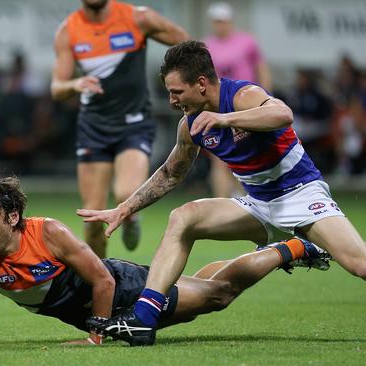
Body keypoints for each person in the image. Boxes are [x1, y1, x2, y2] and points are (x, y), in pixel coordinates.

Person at [78, 40, 366, 345]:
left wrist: (224, 118)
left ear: (201, 84)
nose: (173, 100)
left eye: (177, 92)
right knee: (184, 217)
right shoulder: (190, 126)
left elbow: (282, 114)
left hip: (302, 196)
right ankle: (144, 318)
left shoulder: (243, 95)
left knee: (359, 265)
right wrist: (125, 208)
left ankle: (301, 244)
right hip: (258, 204)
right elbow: (170, 174)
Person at [0, 176, 329, 346]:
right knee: (206, 287)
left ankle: (293, 246)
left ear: (14, 216)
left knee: (217, 296)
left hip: (126, 289)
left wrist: (98, 335)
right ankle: (285, 250)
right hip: (105, 304)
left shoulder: (49, 233)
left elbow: (99, 279)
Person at [51, 0, 189, 257]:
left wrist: (173, 82)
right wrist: (75, 83)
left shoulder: (138, 18)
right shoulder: (68, 31)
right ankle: (99, 280)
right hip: (93, 126)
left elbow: (187, 46)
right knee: (92, 218)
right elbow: (56, 88)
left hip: (133, 123)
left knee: (126, 193)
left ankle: (130, 217)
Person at [203, 2, 272, 198]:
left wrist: (265, 98)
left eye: (223, 21)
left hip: (245, 105)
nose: (220, 25)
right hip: (219, 107)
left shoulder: (246, 41)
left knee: (248, 154)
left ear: (230, 21)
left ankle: (248, 200)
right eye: (216, 21)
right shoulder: (206, 45)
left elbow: (261, 69)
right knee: (220, 157)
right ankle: (221, 203)